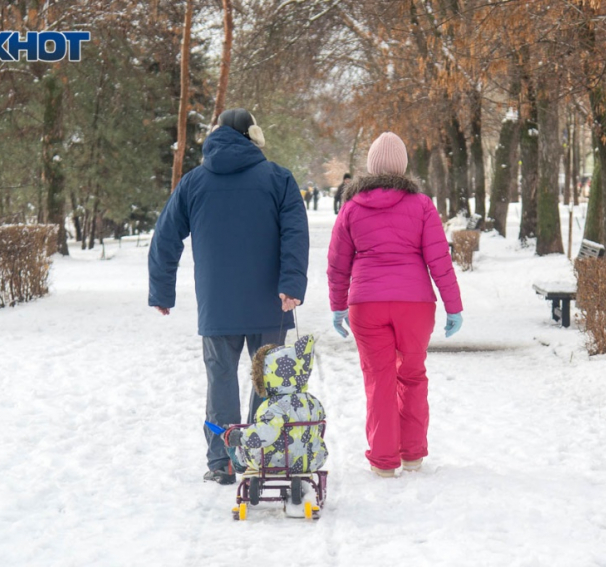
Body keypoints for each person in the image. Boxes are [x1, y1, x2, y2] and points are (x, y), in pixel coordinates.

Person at [149, 108, 309, 485]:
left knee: (221, 378)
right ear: (252, 136)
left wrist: (162, 290)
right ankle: (260, 452)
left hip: (217, 305)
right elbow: (295, 235)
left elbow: (165, 236)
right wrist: (291, 284)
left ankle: (222, 460)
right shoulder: (278, 178)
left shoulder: (194, 182)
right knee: (268, 380)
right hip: (271, 302)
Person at [326, 132, 463, 478]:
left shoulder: (351, 207)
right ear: (403, 167)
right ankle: (413, 455)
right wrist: (453, 306)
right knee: (413, 376)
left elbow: (338, 264)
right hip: (414, 305)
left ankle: (383, 462)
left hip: (367, 304)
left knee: (379, 380)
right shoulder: (421, 205)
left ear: (370, 166)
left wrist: (338, 305)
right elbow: (439, 260)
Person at [221, 334, 328, 474]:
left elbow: (266, 432)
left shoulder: (275, 406)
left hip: (274, 462)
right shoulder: (313, 402)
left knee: (247, 443)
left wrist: (241, 438)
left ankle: (238, 460)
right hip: (310, 460)